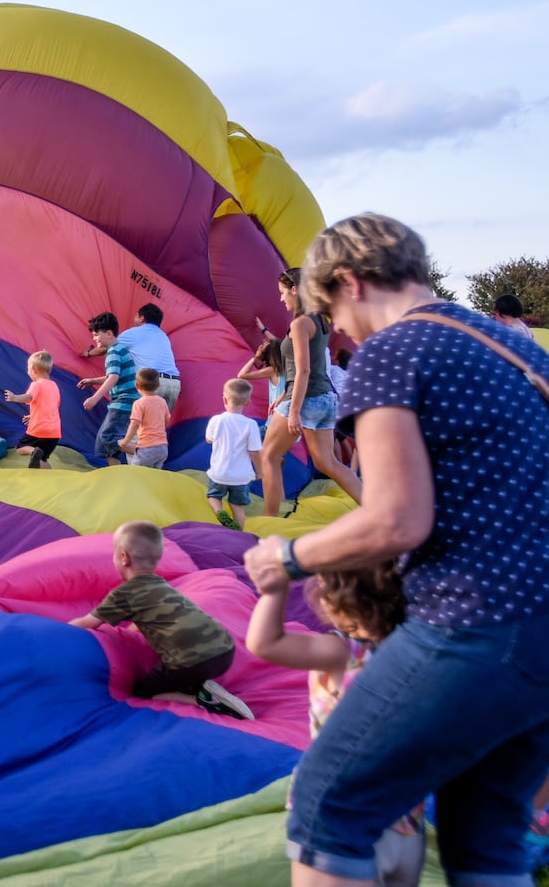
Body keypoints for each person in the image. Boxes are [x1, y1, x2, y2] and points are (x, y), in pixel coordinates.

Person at [242, 212, 549, 885]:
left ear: (351, 281)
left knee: (328, 805)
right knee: (487, 837)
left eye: (332, 311)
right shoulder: (522, 348)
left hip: (485, 613)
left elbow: (397, 519)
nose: (341, 332)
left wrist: (287, 559)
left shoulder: (394, 351)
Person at [246, 566, 426, 886]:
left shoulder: (346, 652)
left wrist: (275, 589)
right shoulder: (424, 653)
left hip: (344, 818)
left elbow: (266, 642)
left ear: (336, 602)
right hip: (407, 821)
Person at [70, 520, 253, 720]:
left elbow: (89, 623)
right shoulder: (161, 585)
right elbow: (154, 621)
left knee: (144, 692)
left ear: (123, 557)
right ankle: (200, 685)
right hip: (224, 650)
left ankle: (202, 700)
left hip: (192, 659)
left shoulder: (125, 593)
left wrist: (61, 629)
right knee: (185, 667)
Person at [259, 268, 363, 516]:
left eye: (283, 292)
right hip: (325, 399)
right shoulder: (320, 321)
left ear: (295, 290)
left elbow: (303, 370)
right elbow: (312, 368)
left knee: (269, 456)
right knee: (327, 462)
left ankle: (270, 519)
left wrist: (294, 411)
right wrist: (285, 394)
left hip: (306, 399)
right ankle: (374, 506)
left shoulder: (299, 324)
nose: (281, 298)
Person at [79, 312, 138, 466]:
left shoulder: (113, 352)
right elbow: (113, 375)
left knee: (108, 437)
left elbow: (113, 378)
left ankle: (143, 451)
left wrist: (94, 398)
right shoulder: (120, 349)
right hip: (127, 401)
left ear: (109, 333)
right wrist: (93, 381)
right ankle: (116, 474)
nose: (94, 339)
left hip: (124, 401)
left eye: (96, 335)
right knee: (103, 443)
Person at [205, 378, 263, 529]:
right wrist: (260, 471)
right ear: (247, 403)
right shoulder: (251, 425)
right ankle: (239, 533)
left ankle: (219, 512)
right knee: (237, 505)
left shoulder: (216, 420)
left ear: (224, 399)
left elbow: (209, 440)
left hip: (219, 472)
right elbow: (254, 451)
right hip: (241, 476)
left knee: (213, 497)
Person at [117, 303, 183, 412]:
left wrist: (89, 353)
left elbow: (109, 346)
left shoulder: (133, 333)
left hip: (152, 382)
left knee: (140, 426)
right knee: (157, 426)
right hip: (174, 385)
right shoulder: (163, 336)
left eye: (136, 315)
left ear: (142, 318)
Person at [4, 351, 62, 469]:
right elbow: (52, 407)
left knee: (20, 448)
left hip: (39, 430)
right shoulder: (54, 386)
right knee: (42, 458)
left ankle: (33, 451)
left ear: (34, 370)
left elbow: (29, 397)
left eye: (28, 369)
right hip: (54, 432)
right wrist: (33, 416)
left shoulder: (36, 385)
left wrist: (15, 397)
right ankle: (52, 477)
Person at [117, 367, 169, 469]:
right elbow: (166, 420)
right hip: (163, 447)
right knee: (154, 476)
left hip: (146, 448)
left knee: (136, 476)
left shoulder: (139, 403)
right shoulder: (162, 401)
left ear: (137, 386)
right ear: (158, 385)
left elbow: (135, 424)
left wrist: (125, 441)